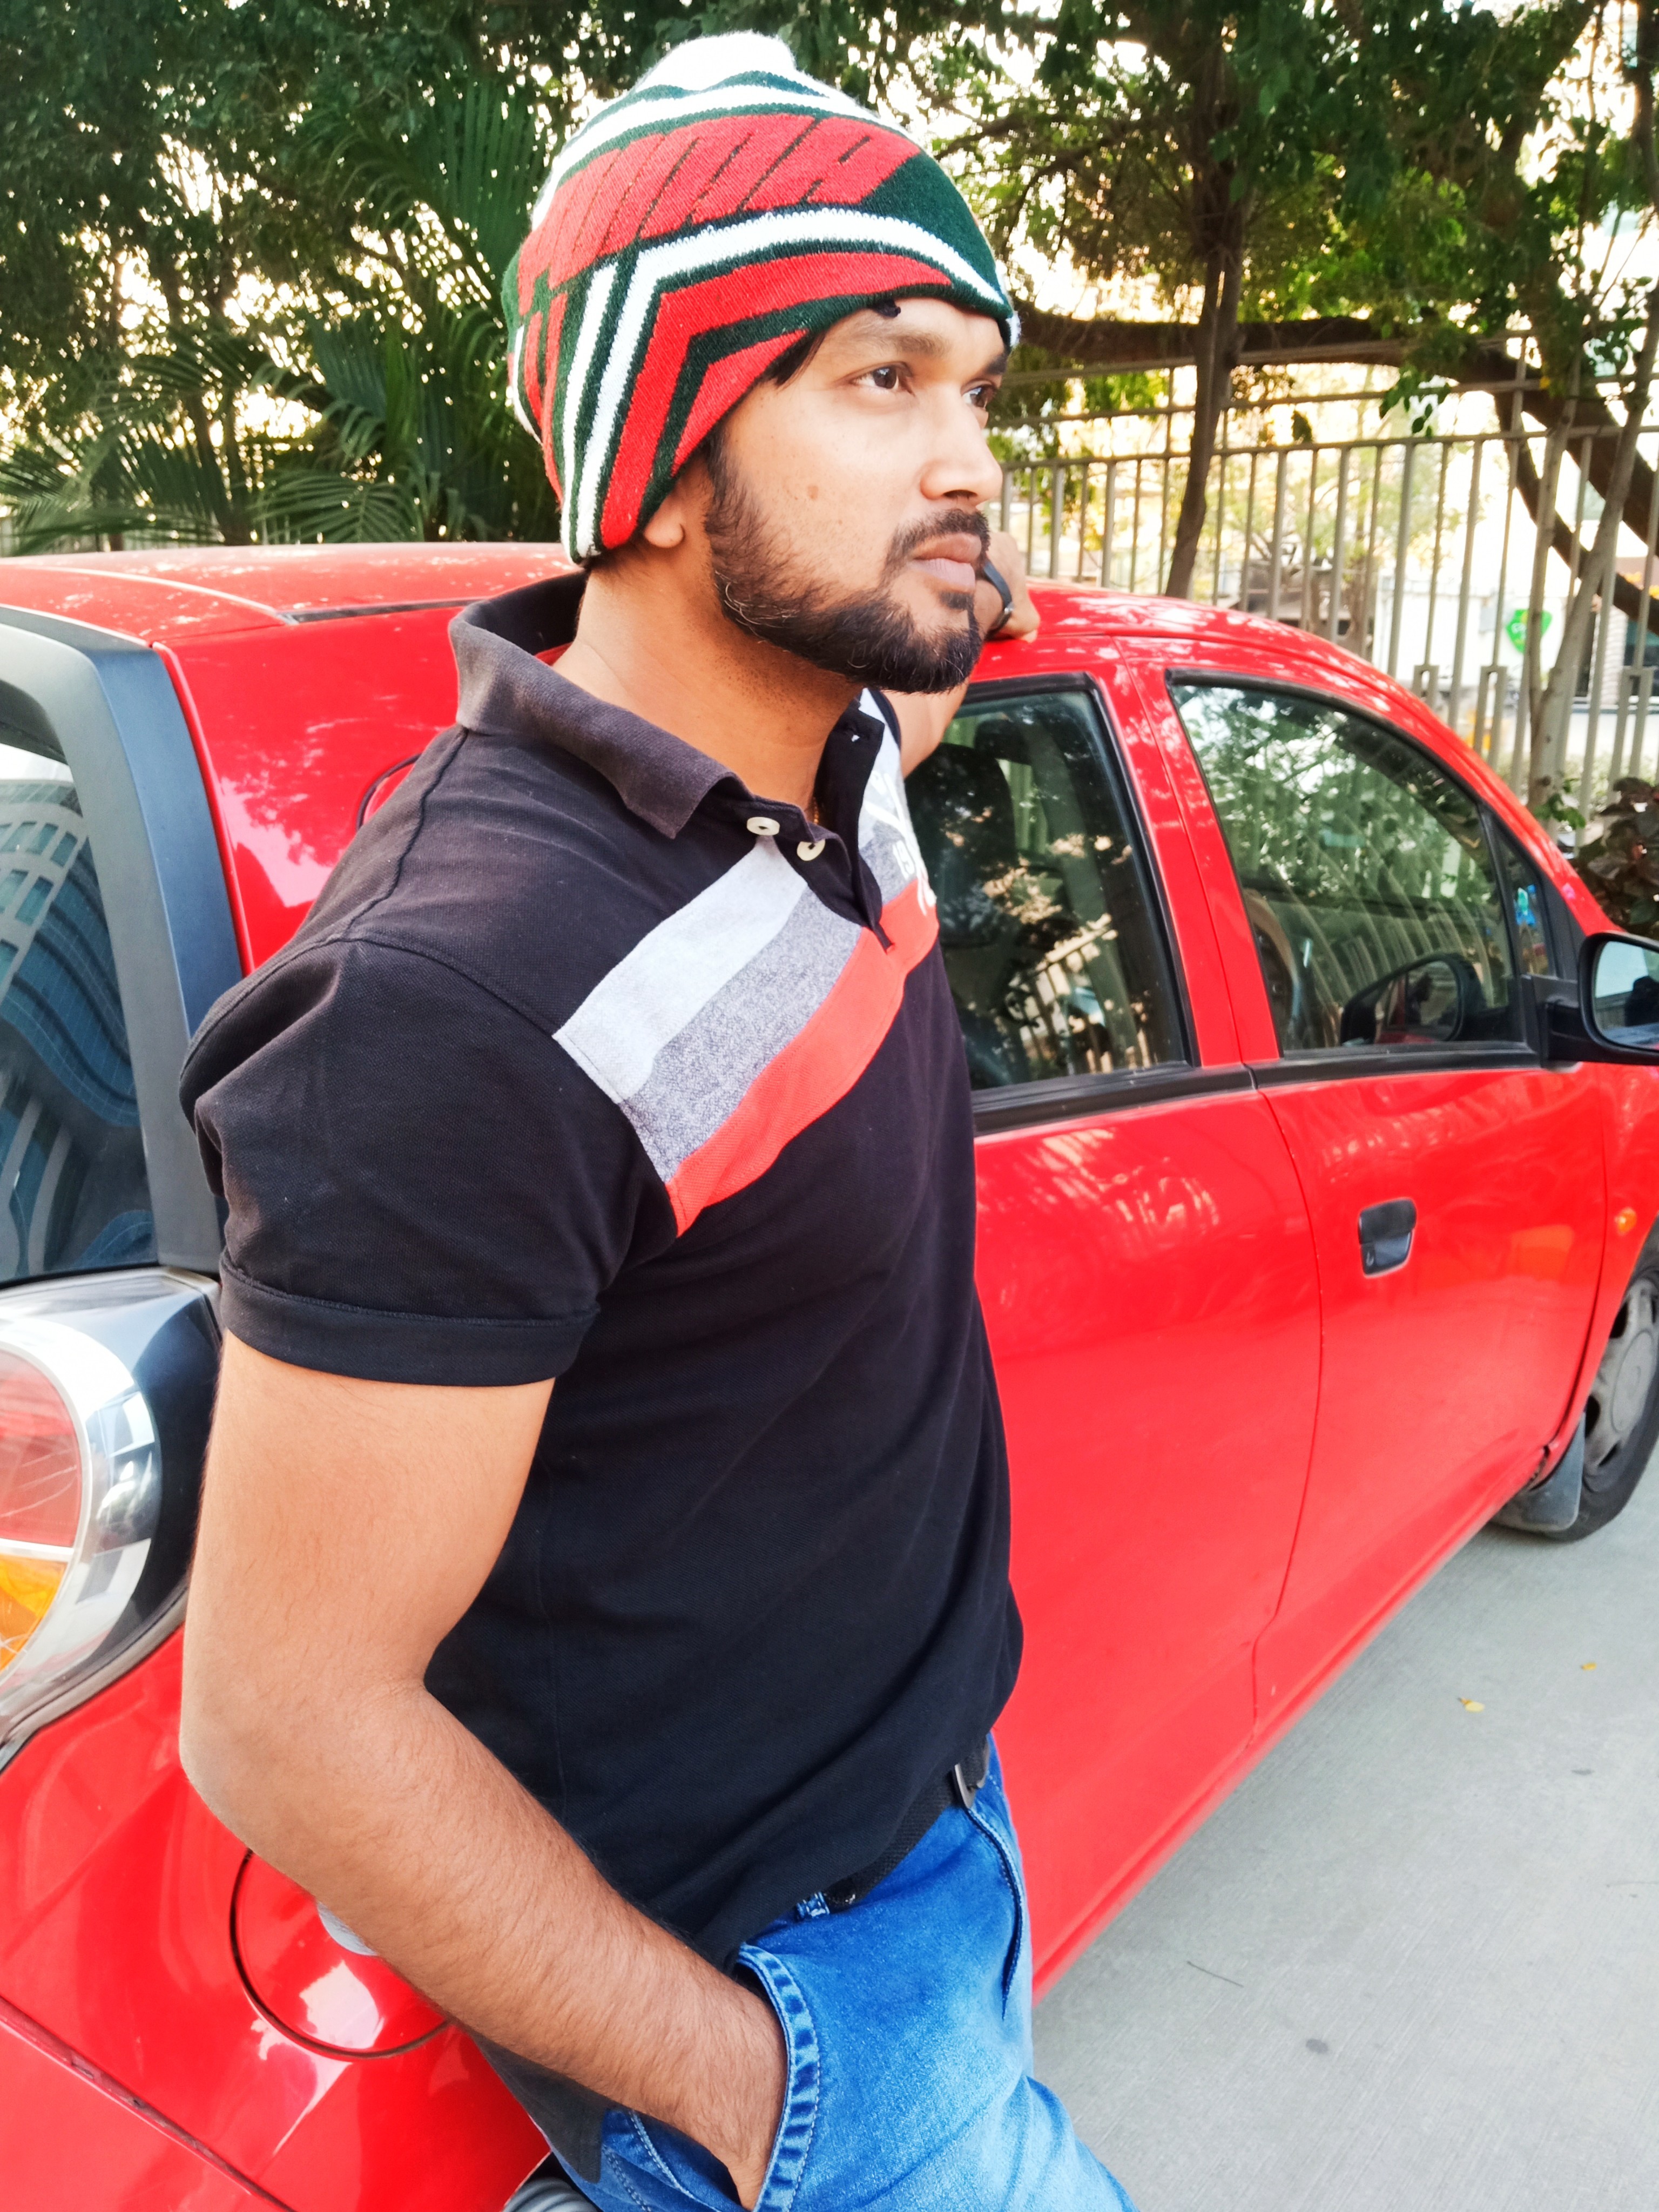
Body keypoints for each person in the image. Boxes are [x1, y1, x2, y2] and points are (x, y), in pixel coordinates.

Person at [178, 34, 1138, 2212]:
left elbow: (936, 639)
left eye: (979, 390)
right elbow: (284, 1720)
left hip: (940, 1823)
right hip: (793, 2009)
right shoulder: (453, 1000)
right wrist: (749, 2088)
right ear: (666, 460)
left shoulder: (837, 749)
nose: (970, 463)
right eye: (880, 380)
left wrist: (924, 534)